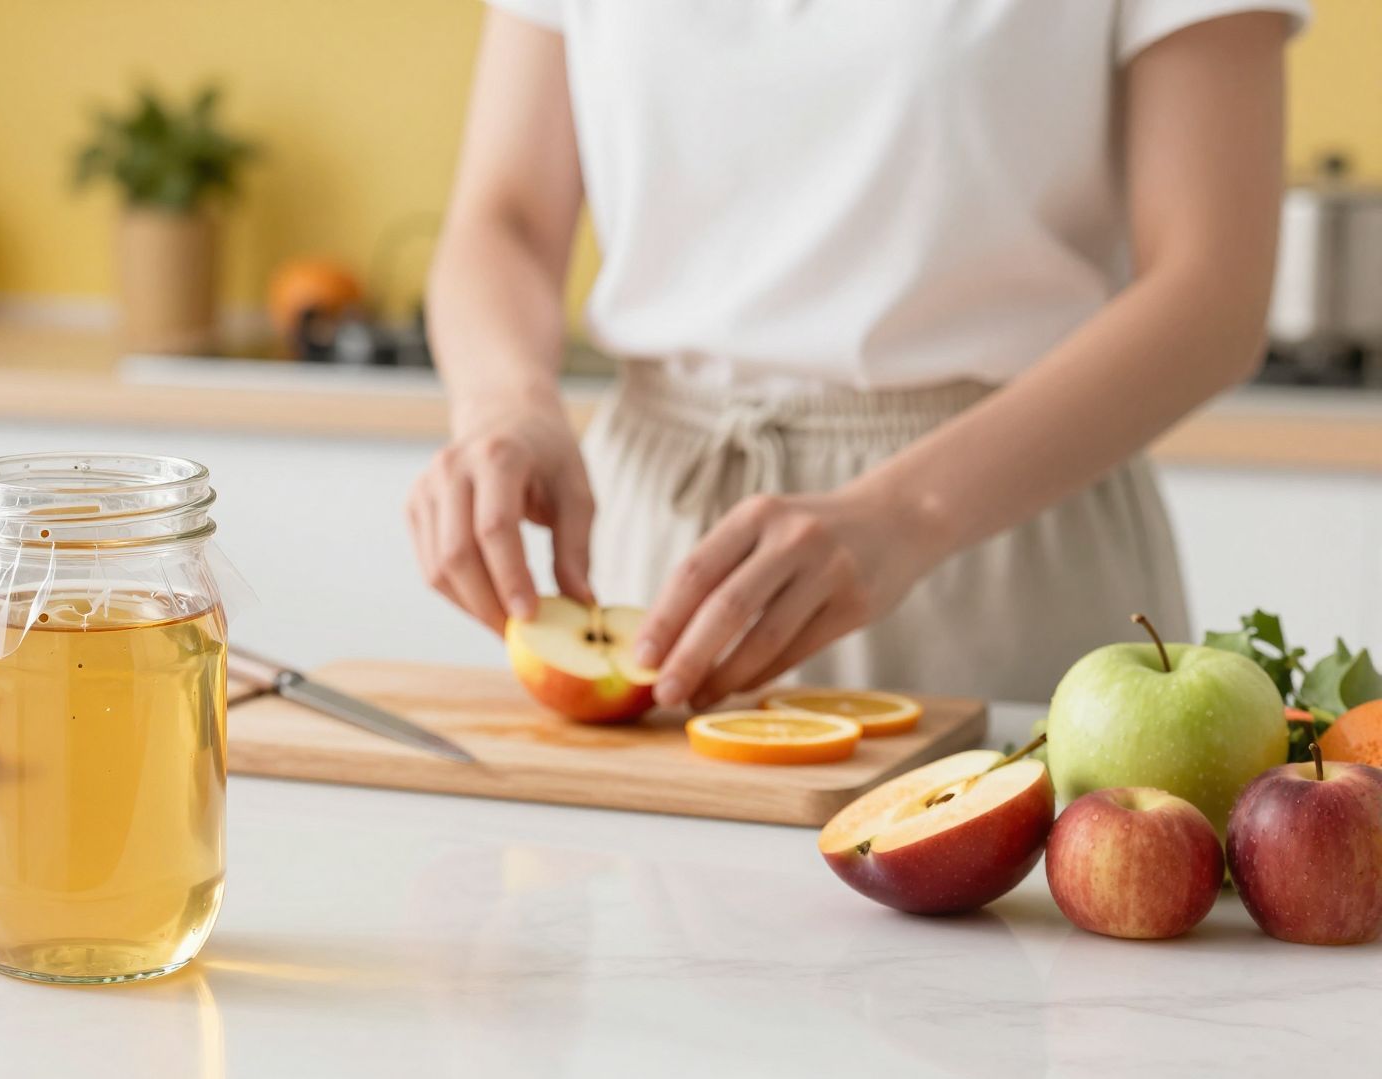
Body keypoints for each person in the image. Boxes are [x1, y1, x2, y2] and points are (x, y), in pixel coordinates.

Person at [407, 1, 1307, 706]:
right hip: (652, 536)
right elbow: (505, 219)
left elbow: (1214, 291)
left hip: (995, 537)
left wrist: (908, 512)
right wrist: (504, 405)